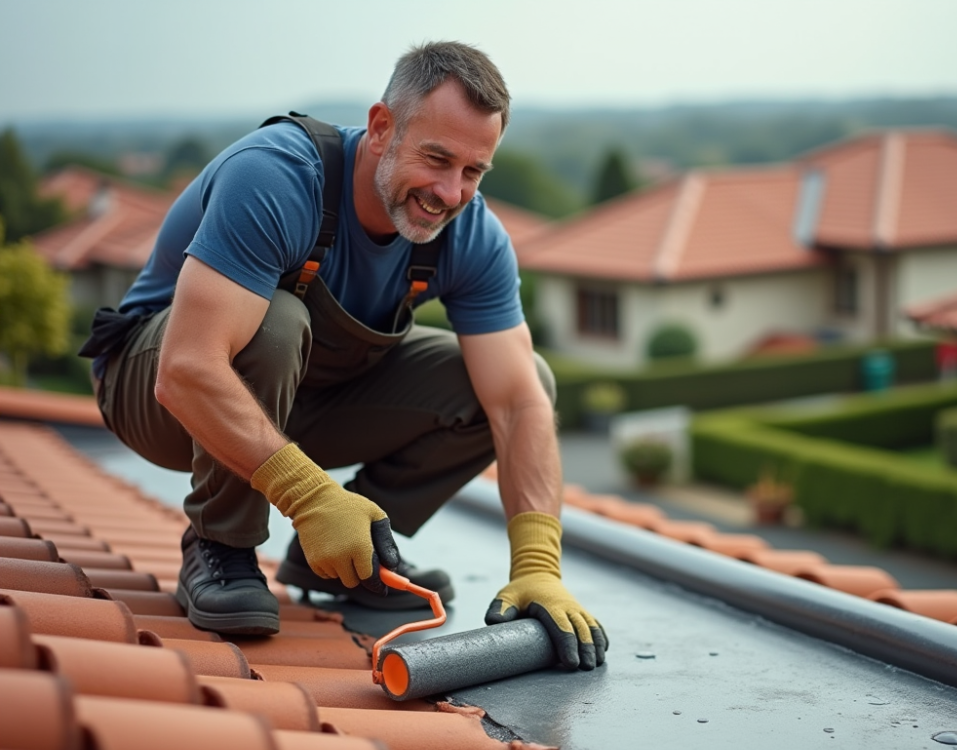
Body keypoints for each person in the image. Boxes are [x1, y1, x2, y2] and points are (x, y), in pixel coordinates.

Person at [84, 41, 606, 671]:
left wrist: (538, 564)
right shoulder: (277, 177)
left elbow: (519, 405)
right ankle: (220, 546)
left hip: (297, 402)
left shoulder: (471, 237)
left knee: (526, 381)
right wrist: (310, 498)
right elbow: (187, 370)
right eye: (436, 159)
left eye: (473, 171)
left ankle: (349, 558)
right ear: (382, 128)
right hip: (160, 396)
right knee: (276, 320)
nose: (450, 192)